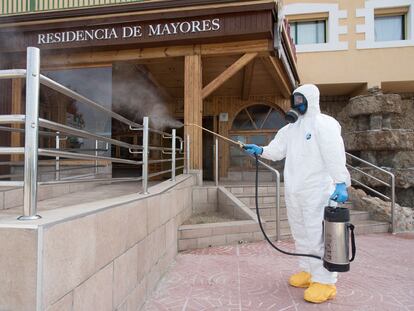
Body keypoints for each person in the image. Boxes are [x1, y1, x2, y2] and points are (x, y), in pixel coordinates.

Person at [243, 84, 350, 304]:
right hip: (294, 191)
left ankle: (325, 281)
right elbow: (277, 150)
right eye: (295, 100)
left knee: (317, 235)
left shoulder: (324, 124)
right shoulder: (290, 129)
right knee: (300, 233)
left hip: (317, 192)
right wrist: (261, 150)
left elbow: (334, 154)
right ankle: (308, 271)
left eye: (301, 100)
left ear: (311, 99)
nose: (297, 104)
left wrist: (340, 182)